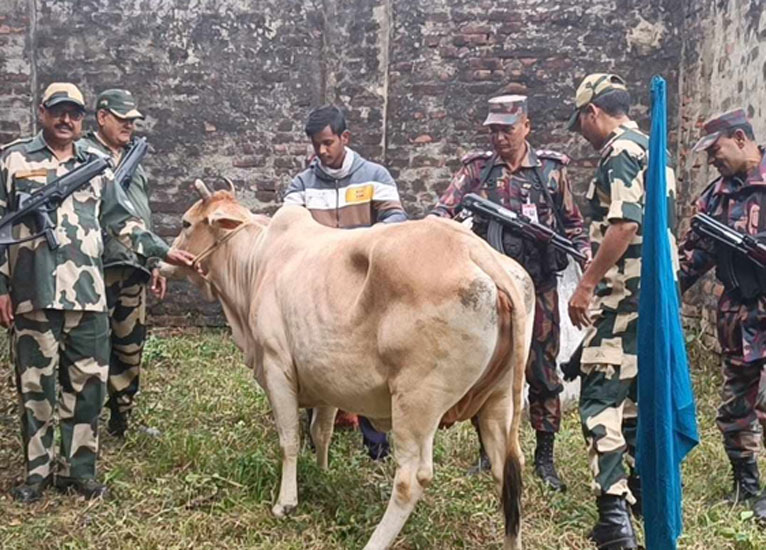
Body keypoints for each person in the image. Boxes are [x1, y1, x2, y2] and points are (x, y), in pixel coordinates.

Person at [430, 94, 589, 492]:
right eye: (493, 130)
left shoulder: (551, 173)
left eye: (507, 129)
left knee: (542, 370)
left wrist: (586, 262)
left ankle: (544, 457)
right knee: (485, 369)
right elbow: (441, 212)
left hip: (539, 288)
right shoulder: (477, 171)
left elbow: (574, 226)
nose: (500, 137)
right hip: (490, 294)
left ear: (526, 127)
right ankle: (487, 451)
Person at [0, 82, 114, 503]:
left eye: (75, 113)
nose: (66, 120)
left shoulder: (98, 163)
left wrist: (161, 253)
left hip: (89, 297)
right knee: (36, 388)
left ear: (83, 119)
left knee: (88, 387)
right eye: (58, 111)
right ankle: (37, 472)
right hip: (33, 292)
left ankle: (79, 471)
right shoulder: (15, 159)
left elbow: (120, 222)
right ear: (42, 112)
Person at [567, 73, 676, 550]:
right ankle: (637, 500)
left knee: (597, 401)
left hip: (622, 298)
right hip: (652, 295)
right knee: (630, 404)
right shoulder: (654, 148)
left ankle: (613, 517)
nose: (582, 134)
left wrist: (586, 284)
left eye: (581, 123)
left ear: (594, 112)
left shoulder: (618, 152)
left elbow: (626, 222)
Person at [282, 104, 407, 460]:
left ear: (344, 138)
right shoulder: (302, 184)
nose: (321, 151)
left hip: (362, 287)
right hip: (317, 291)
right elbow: (289, 230)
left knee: (368, 359)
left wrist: (361, 243)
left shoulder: (375, 176)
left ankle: (376, 445)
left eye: (328, 143)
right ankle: (314, 435)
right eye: (316, 145)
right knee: (315, 354)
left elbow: (396, 217)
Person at [77, 89, 184, 439]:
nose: (129, 125)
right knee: (90, 348)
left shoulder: (135, 162)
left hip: (132, 268)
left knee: (130, 347)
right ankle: (83, 423)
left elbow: (141, 216)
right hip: (91, 268)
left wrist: (154, 261)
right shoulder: (81, 156)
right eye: (122, 118)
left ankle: (121, 417)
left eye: (132, 120)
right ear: (102, 117)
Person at [678, 109, 766, 522]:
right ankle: (746, 487)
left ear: (740, 138)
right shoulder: (714, 197)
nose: (712, 159)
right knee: (735, 407)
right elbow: (695, 255)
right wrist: (664, 288)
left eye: (716, 150)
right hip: (737, 317)